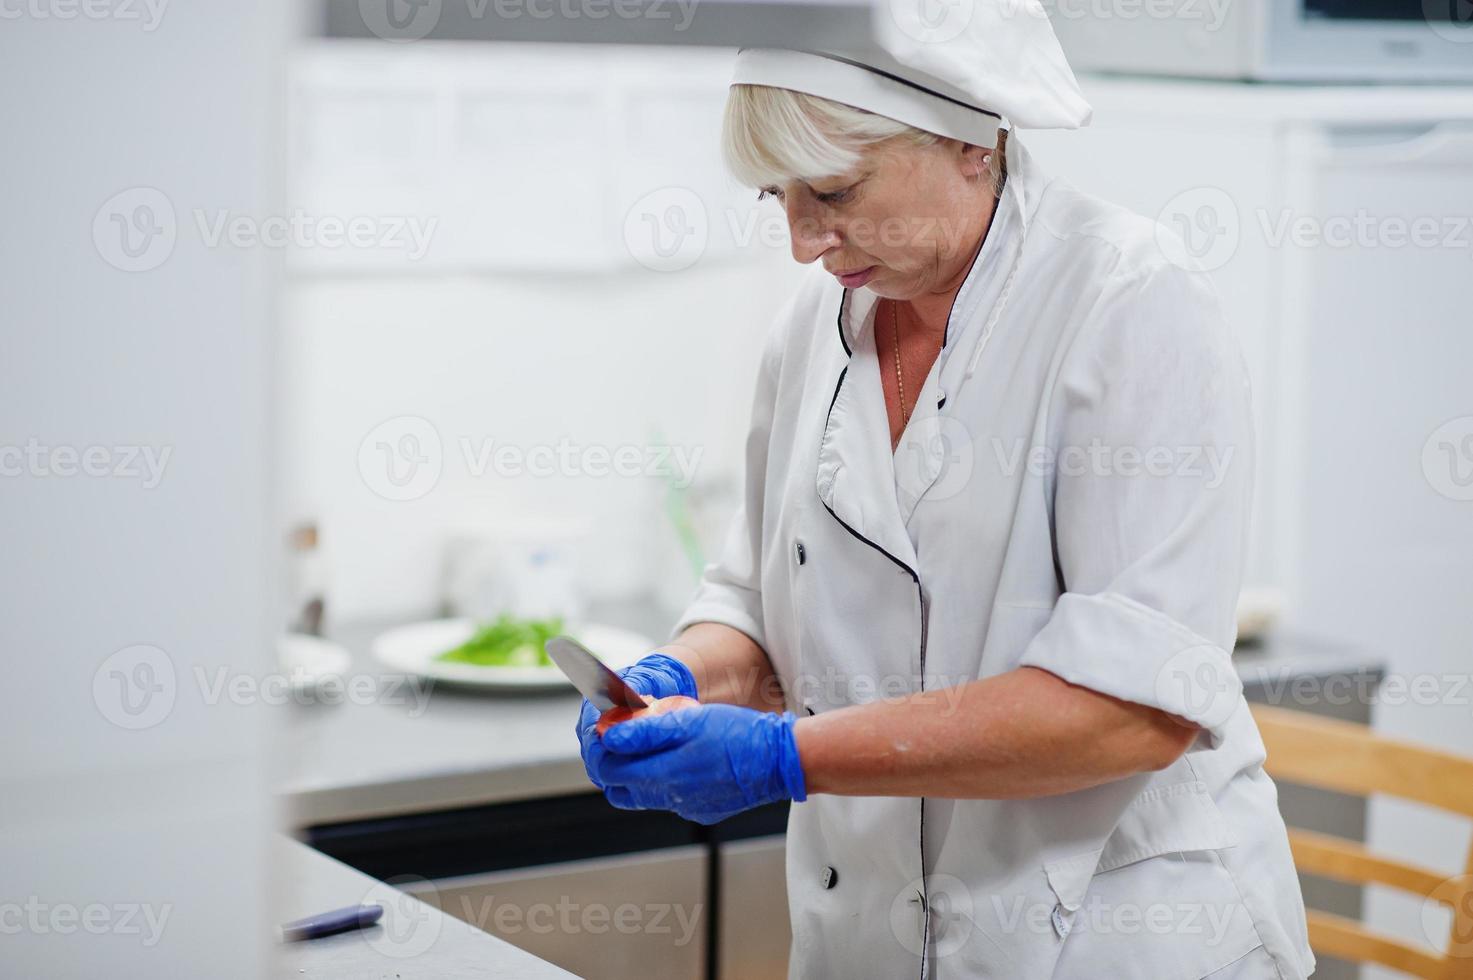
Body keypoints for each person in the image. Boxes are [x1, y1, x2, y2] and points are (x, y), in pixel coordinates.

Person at [577, 4, 1315, 976]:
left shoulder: (1130, 304)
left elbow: (1133, 708)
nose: (803, 240)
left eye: (834, 189)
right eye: (777, 197)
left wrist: (788, 756)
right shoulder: (815, 327)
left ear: (971, 137)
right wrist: (672, 680)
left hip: (1111, 938)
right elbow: (757, 600)